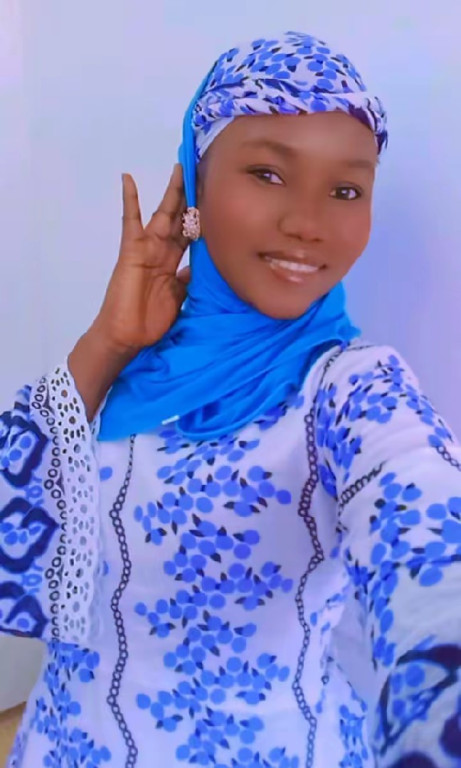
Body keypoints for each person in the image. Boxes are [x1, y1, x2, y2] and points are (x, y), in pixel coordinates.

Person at [1, 30, 460, 768]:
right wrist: (108, 343)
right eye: (267, 174)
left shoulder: (351, 387)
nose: (308, 223)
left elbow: (427, 527)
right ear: (196, 189)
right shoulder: (132, 367)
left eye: (346, 190)